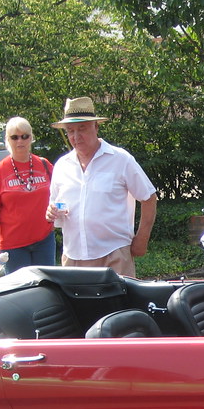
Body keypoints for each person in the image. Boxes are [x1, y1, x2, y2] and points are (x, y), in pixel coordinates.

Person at [46, 97, 157, 277]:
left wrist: (141, 240)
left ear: (96, 127)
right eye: (70, 131)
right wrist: (52, 212)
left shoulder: (120, 159)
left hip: (114, 255)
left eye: (82, 128)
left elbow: (149, 198)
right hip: (73, 257)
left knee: (119, 297)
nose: (76, 136)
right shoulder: (62, 166)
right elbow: (55, 207)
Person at [0, 117, 55, 274]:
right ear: (7, 140)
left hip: (44, 240)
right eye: (14, 137)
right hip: (13, 246)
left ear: (31, 138)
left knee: (47, 284)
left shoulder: (44, 165)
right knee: (21, 287)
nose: (20, 141)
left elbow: (59, 196)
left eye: (25, 136)